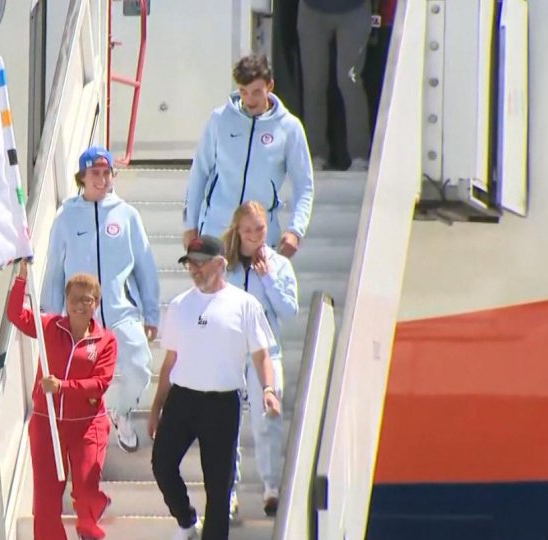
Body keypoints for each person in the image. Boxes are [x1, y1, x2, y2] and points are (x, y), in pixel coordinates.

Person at [149, 235, 282, 540]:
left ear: (219, 264)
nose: (194, 270)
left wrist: (268, 390)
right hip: (182, 399)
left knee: (219, 488)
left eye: (199, 263)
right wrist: (157, 406)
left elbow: (262, 354)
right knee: (162, 464)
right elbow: (170, 361)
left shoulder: (244, 304)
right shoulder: (180, 305)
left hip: (222, 404)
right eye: (189, 264)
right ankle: (186, 520)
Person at [42, 146, 160, 453]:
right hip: (82, 320)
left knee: (140, 366)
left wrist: (151, 313)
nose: (102, 179)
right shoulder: (66, 217)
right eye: (95, 173)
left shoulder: (127, 215)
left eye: (107, 173)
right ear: (82, 177)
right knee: (80, 384)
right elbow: (54, 269)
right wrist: (52, 319)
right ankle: (86, 444)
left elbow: (145, 266)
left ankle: (121, 412)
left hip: (121, 313)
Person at [7, 261, 117, 540]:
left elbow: (100, 384)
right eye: (74, 298)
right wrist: (21, 277)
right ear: (65, 300)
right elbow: (16, 314)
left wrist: (62, 387)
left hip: (87, 424)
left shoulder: (106, 341)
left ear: (97, 303)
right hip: (47, 424)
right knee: (45, 504)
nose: (80, 305)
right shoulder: (49, 326)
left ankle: (89, 523)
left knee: (86, 487)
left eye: (87, 299)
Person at [182, 53, 314, 260]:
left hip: (259, 236)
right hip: (217, 230)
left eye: (256, 92)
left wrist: (296, 230)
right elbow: (199, 172)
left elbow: (304, 184)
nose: (249, 100)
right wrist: (190, 224)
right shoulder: (220, 119)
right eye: (243, 92)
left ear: (270, 86)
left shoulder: (289, 127)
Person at [223, 201, 299, 518]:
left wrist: (268, 279)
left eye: (260, 229)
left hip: (267, 352)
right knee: (226, 425)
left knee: (267, 418)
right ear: (238, 231)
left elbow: (290, 310)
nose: (255, 236)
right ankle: (228, 491)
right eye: (248, 230)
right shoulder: (225, 266)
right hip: (229, 352)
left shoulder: (278, 264)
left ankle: (270, 486)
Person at [298, 0, 373, 171]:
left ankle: (359, 156)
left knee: (349, 80)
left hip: (355, 9)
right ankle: (315, 154)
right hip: (312, 10)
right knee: (313, 83)